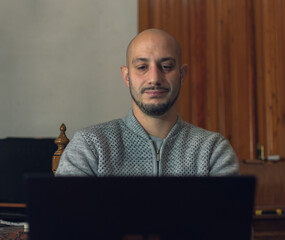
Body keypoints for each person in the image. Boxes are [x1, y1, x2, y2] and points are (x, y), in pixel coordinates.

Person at [56, 28, 239, 176]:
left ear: (182, 75)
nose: (154, 78)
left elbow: (232, 221)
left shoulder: (213, 150)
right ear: (126, 76)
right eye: (142, 67)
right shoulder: (90, 145)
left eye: (166, 67)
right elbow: (63, 219)